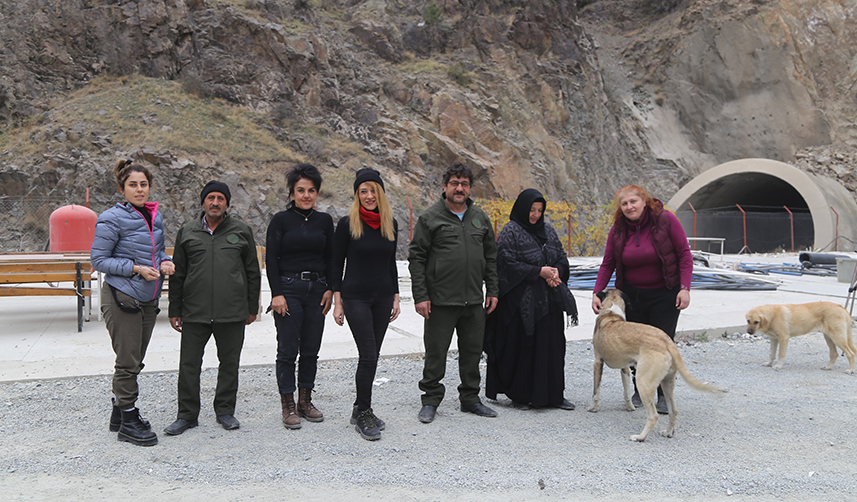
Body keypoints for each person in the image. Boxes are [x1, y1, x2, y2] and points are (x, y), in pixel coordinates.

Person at [164, 181, 261, 435]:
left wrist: (253, 307)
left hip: (232, 312)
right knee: (188, 364)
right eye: (210, 198)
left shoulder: (241, 231)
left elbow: (253, 272)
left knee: (229, 363)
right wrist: (175, 309)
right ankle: (186, 415)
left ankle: (225, 411)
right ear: (203, 202)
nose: (215, 202)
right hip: (195, 312)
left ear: (227, 203)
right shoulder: (187, 231)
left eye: (220, 198)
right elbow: (178, 274)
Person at [408, 161, 500, 423]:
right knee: (436, 353)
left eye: (464, 184)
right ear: (445, 186)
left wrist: (492, 289)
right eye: (454, 183)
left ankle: (470, 398)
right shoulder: (430, 217)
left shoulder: (480, 218)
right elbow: (417, 258)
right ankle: (430, 400)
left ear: (470, 188)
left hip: (473, 301)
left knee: (472, 352)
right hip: (440, 301)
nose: (459, 188)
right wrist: (421, 296)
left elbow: (491, 257)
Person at [91, 158, 174, 447]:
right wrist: (136, 269)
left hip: (149, 298)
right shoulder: (110, 218)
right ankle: (128, 419)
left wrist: (165, 262)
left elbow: (158, 252)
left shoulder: (155, 217)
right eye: (133, 185)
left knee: (135, 359)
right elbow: (99, 260)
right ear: (122, 188)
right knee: (127, 362)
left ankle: (119, 413)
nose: (139, 190)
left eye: (144, 184)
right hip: (121, 296)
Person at [590, 185, 693, 414]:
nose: (629, 207)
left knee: (662, 344)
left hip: (665, 293)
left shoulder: (666, 220)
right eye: (624, 204)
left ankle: (663, 395)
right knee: (634, 344)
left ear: (644, 202)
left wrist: (684, 288)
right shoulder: (618, 228)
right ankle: (640, 389)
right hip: (632, 296)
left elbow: (684, 254)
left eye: (633, 202)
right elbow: (607, 262)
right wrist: (597, 293)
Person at [484, 189, 579, 410]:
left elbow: (562, 258)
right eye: (531, 210)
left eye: (539, 210)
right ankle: (521, 395)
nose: (535, 215)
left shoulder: (548, 230)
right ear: (522, 208)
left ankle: (554, 395)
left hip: (549, 302)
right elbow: (505, 264)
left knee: (553, 349)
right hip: (521, 305)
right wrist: (538, 272)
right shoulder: (511, 231)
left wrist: (556, 272)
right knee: (525, 349)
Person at [331, 168, 401, 441]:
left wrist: (395, 296)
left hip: (382, 298)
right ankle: (363, 411)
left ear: (380, 193)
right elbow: (336, 264)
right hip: (355, 297)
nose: (369, 196)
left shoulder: (389, 223)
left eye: (373, 190)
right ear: (357, 194)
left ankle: (359, 408)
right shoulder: (347, 224)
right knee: (368, 355)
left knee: (373, 356)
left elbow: (391, 263)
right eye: (363, 191)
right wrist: (338, 302)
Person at [266, 164, 334, 430]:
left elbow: (331, 258)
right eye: (301, 190)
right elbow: (270, 259)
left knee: (310, 349)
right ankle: (288, 405)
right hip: (289, 288)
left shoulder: (325, 221)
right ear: (292, 193)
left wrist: (330, 287)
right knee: (287, 350)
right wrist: (277, 294)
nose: (306, 195)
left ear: (317, 193)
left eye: (312, 191)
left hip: (317, 290)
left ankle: (305, 401)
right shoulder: (280, 221)